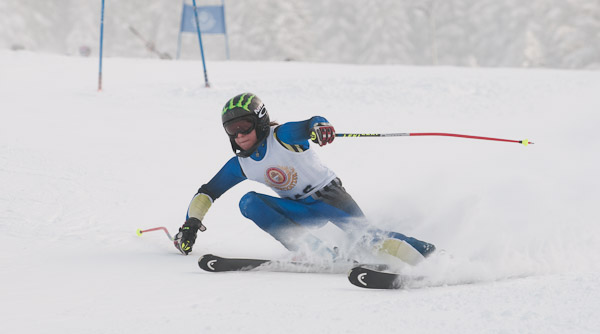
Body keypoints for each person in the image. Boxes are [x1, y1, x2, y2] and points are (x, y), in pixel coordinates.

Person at [174, 93, 435, 264]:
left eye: (244, 126)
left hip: (331, 199)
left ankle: (433, 256)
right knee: (249, 202)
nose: (239, 135)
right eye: (232, 130)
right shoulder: (241, 165)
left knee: (371, 240)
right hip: (299, 209)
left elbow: (311, 123)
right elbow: (208, 192)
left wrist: (320, 127)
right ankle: (318, 254)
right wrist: (191, 224)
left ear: (261, 121)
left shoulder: (282, 137)